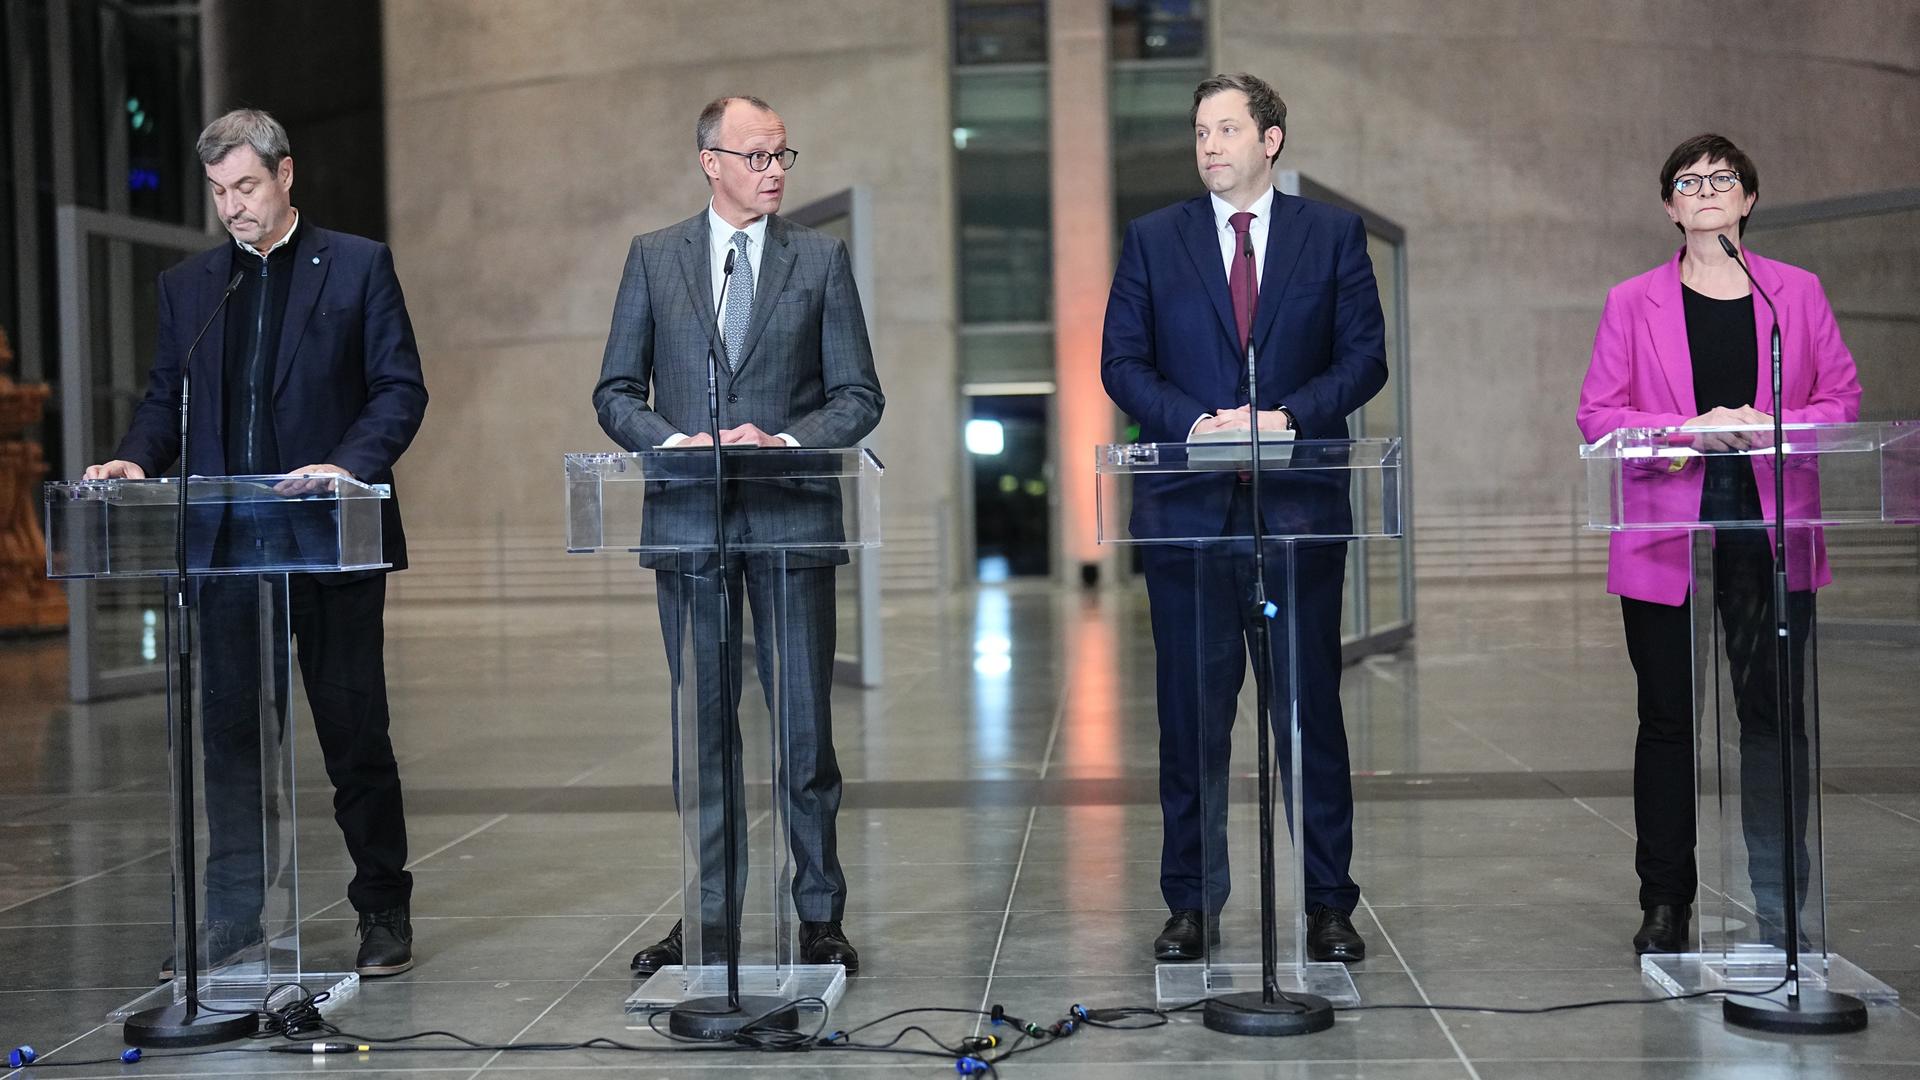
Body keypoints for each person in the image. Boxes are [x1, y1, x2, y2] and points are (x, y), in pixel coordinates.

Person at [86, 108, 428, 977]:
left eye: (244, 186)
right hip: (229, 551)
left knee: (354, 734)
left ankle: (383, 910)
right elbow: (167, 400)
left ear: (285, 176)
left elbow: (397, 390)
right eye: (217, 193)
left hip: (328, 538)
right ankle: (233, 918)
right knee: (231, 742)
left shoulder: (356, 266)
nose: (232, 207)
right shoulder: (192, 288)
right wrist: (133, 457)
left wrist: (345, 465)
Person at [1101, 73, 1388, 965]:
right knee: (1191, 720)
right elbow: (1121, 361)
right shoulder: (1154, 239)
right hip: (1187, 515)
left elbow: (1365, 358)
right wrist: (1197, 424)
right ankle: (1191, 903)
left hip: (1298, 511)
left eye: (1227, 129)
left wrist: (1286, 419)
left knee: (1309, 716)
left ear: (1271, 139)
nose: (1210, 145)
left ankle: (1329, 904)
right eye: (1199, 131)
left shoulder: (1331, 235)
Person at [594, 95, 883, 976]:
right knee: (704, 734)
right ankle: (711, 914)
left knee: (803, 736)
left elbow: (859, 395)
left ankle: (819, 915)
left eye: (783, 155)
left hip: (793, 517)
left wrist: (787, 440)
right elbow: (615, 393)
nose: (774, 171)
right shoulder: (655, 259)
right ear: (710, 162)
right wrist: (676, 443)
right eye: (756, 156)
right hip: (689, 525)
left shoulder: (821, 259)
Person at [1578, 133, 1861, 955]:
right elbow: (1598, 416)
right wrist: (1687, 431)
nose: (1706, 190)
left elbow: (1841, 400)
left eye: (1722, 179)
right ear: (1670, 207)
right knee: (1667, 719)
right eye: (1688, 182)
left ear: (1747, 201)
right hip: (1668, 532)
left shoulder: (1793, 296)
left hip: (1770, 532)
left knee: (1772, 717)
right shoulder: (1633, 301)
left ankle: (1781, 899)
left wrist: (1771, 425)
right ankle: (1666, 901)